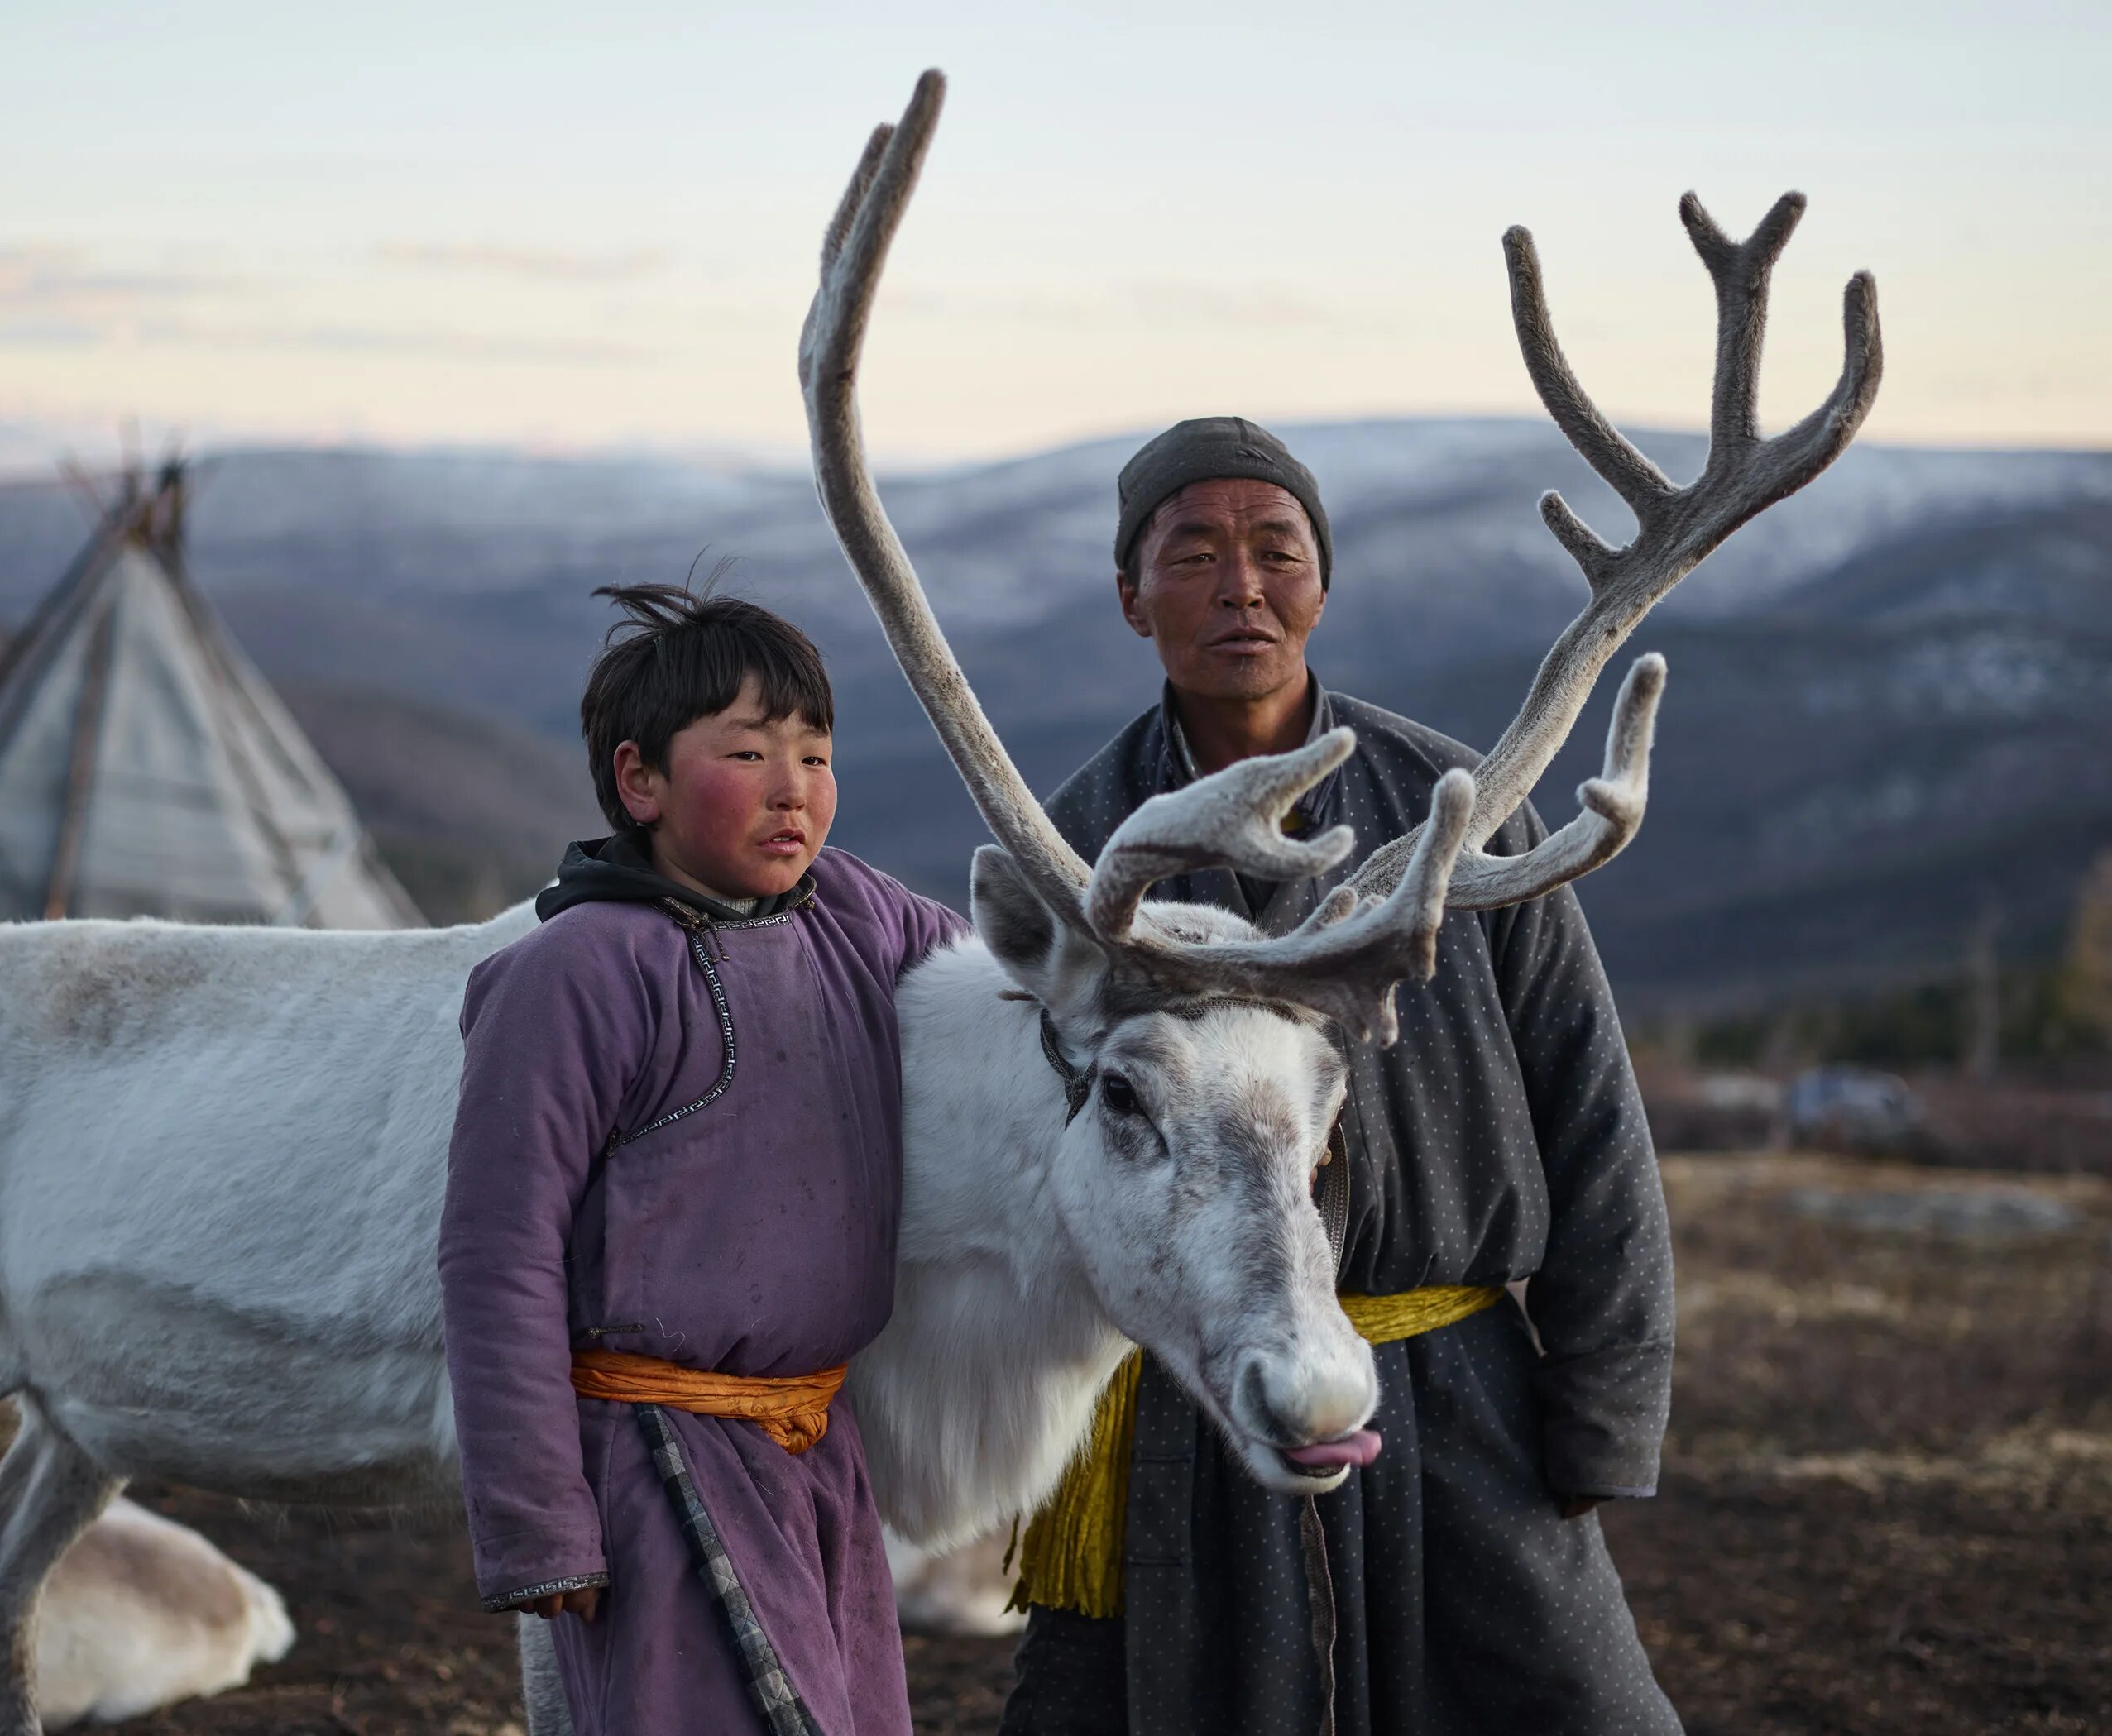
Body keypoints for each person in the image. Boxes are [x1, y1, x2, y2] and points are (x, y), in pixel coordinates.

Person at [1000, 419, 1682, 1736]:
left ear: (1324, 580)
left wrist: (1603, 1404)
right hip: (1190, 1406)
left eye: (1276, 550)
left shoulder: (1462, 806)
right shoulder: (1075, 849)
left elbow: (1588, 1105)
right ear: (1131, 597)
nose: (1239, 586)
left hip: (1459, 1394)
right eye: (1192, 554)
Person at [438, 583, 966, 1736]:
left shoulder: (856, 919)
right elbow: (497, 1254)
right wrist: (540, 1523)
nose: (796, 790)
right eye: (748, 751)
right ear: (641, 782)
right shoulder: (574, 974)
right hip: (657, 1466)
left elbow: (998, 992)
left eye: (817, 754)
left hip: (819, 1452)